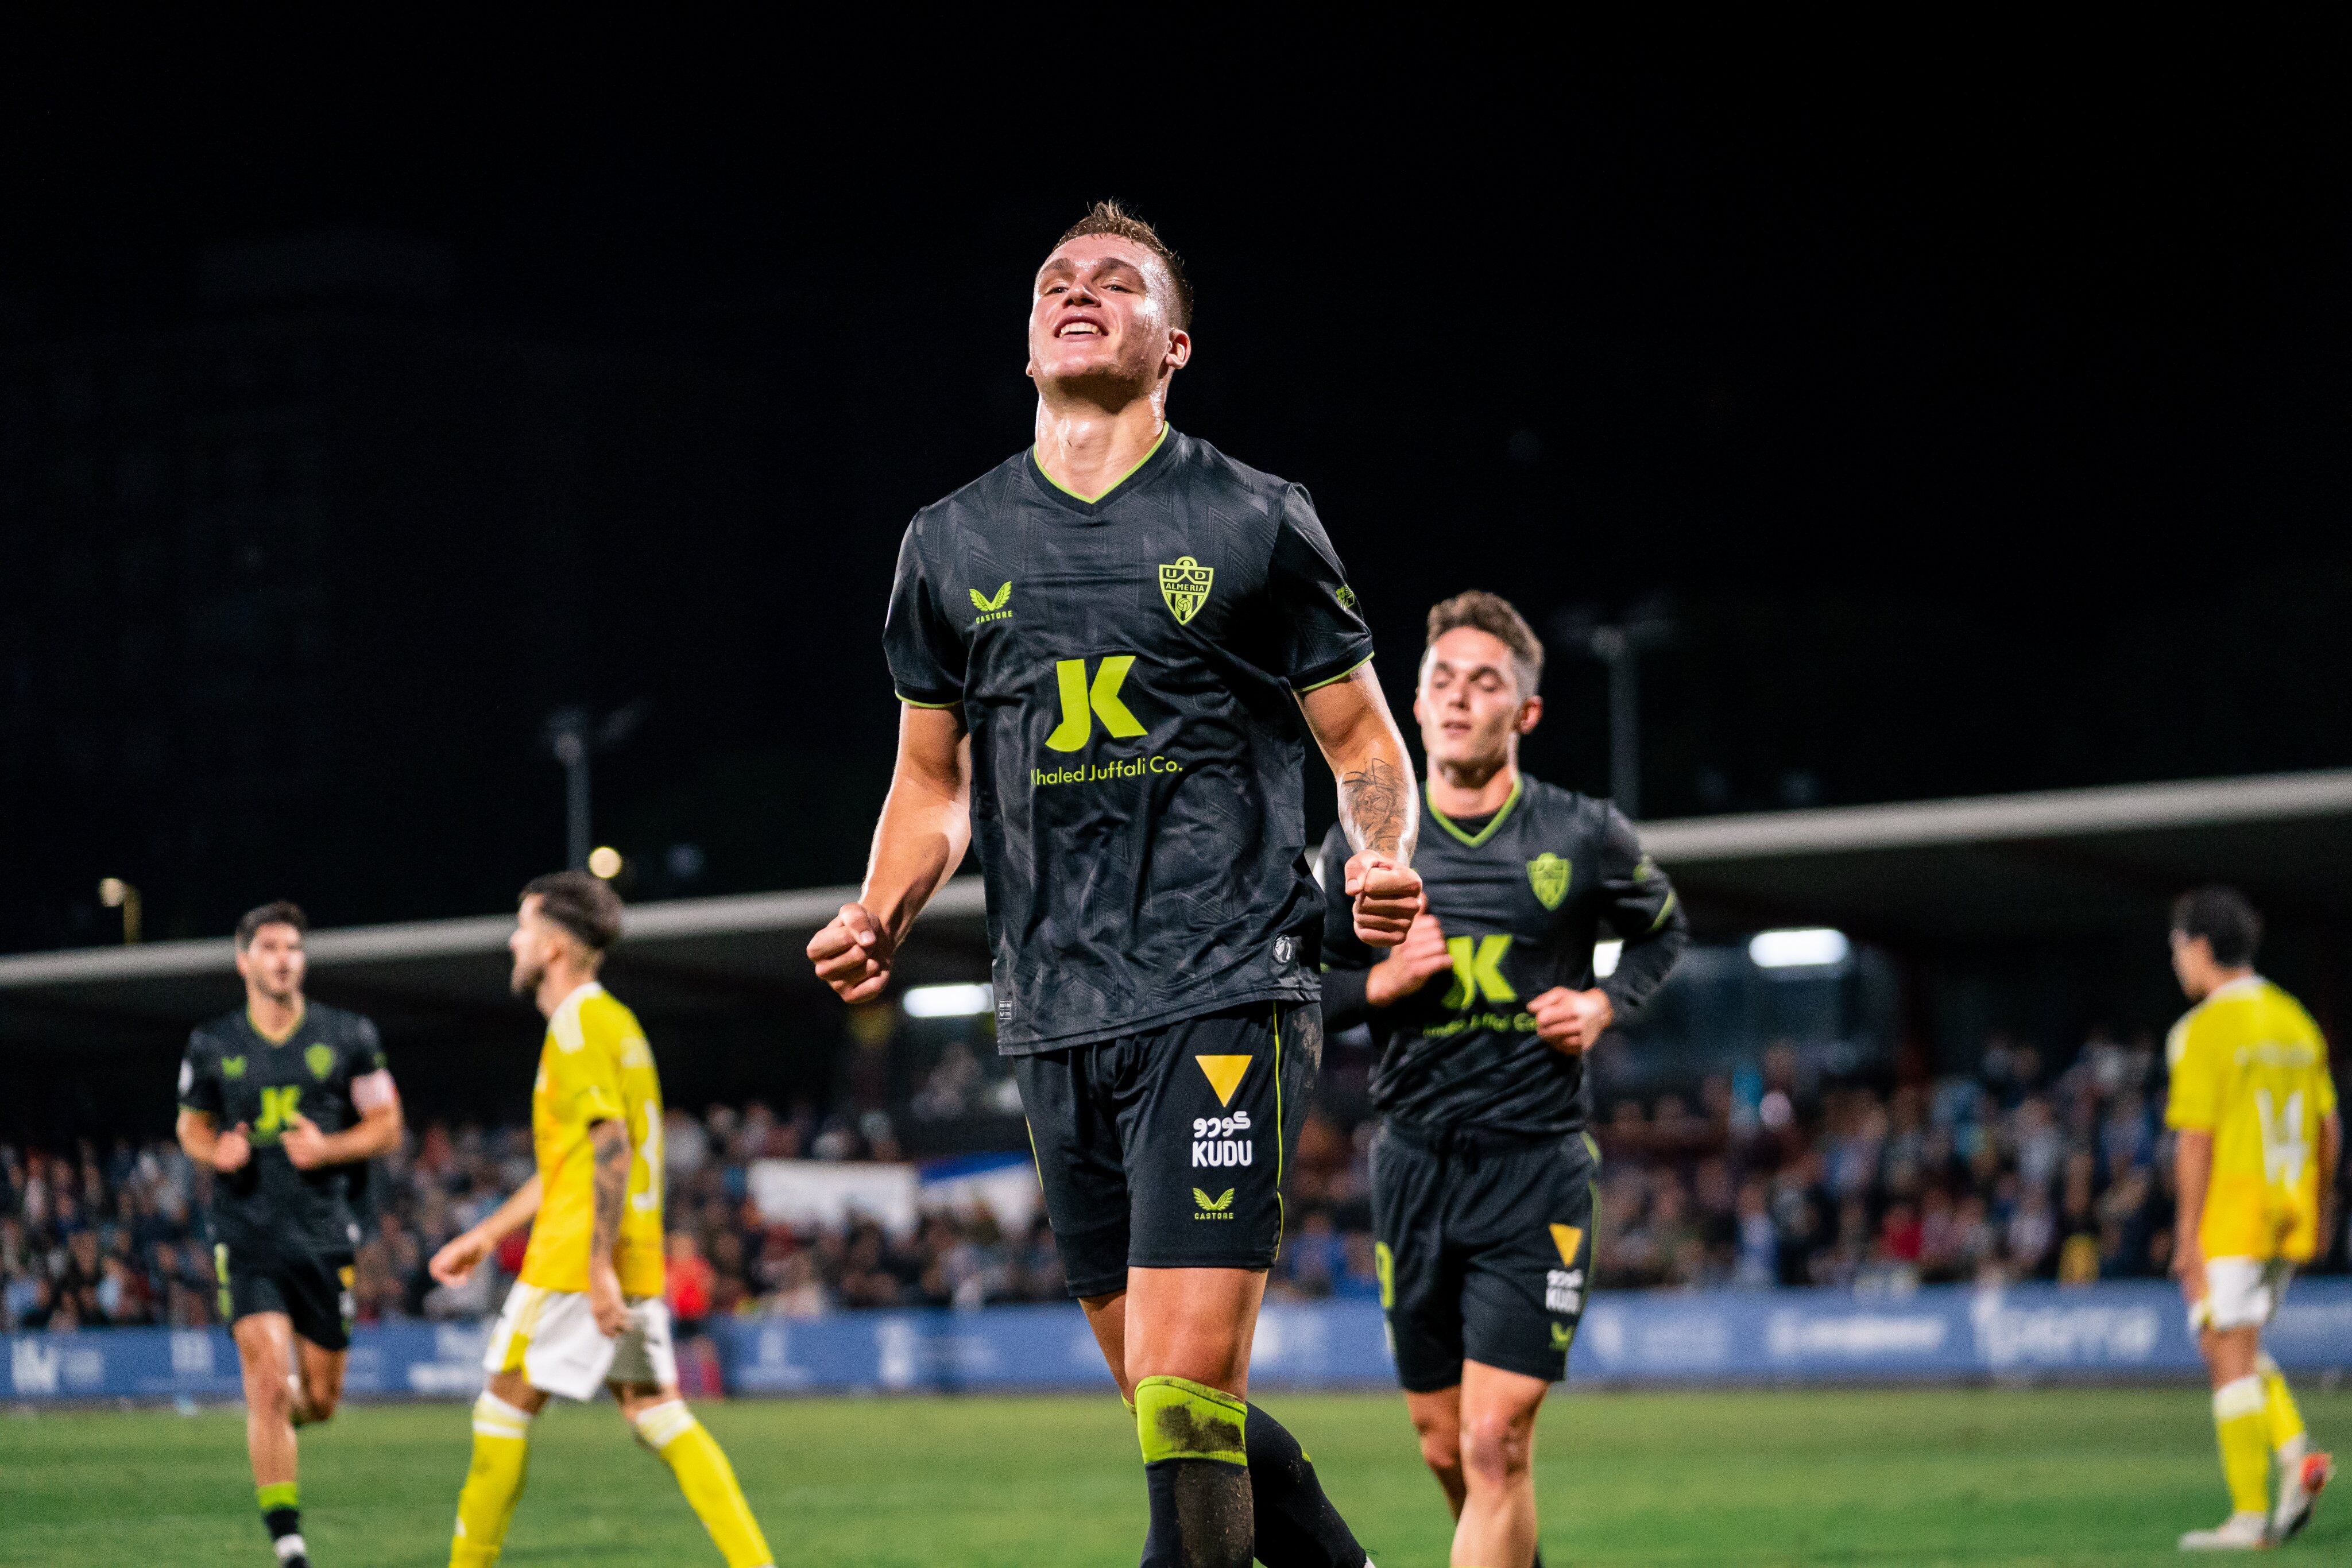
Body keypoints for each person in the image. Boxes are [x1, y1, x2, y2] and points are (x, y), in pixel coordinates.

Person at [807, 199, 1423, 1568]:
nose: (1079, 294)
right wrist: (879, 908)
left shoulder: (1255, 519)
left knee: (1189, 1412)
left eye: (1118, 283)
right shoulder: (948, 545)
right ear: (1028, 341)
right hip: (1051, 1009)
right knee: (1170, 1400)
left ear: (1175, 343)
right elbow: (929, 785)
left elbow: (1363, 740)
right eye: (1056, 284)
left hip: (1225, 988)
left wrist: (1380, 853)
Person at [1320, 591, 1688, 1568]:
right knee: (1449, 1446)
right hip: (1412, 1167)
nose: (1456, 697)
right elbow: (1297, 989)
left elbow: (1662, 929)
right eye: (1440, 679)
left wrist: (1603, 1003)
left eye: (1484, 683)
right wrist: (1380, 981)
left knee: (1495, 1443)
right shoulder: (1364, 843)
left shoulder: (1582, 833)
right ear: (1413, 700)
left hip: (1537, 1167)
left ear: (1523, 713)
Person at [428, 873, 773, 1568]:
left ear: (554, 948)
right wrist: (489, 1233)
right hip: (632, 1253)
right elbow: (579, 1162)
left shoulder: (577, 1022)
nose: (513, 941)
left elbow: (610, 1143)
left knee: (500, 1410)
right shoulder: (617, 1022)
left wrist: (593, 1270)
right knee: (657, 1414)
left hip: (576, 1260)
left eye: (523, 927)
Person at [176, 901, 404, 1568]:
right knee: (268, 1380)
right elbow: (189, 1123)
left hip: (324, 1235)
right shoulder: (213, 1042)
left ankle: (276, 1424)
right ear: (244, 960)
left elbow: (387, 1124)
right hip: (247, 1234)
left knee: (320, 1400)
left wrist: (330, 1148)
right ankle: (290, 1544)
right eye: (271, 947)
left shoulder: (348, 1033)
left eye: (293, 948)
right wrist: (213, 1150)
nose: (284, 959)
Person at [2165, 886, 2338, 1550]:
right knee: (2229, 1342)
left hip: (2232, 1211)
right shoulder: (2294, 1019)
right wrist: (2320, 1212)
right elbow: (2329, 1130)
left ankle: (2246, 1517)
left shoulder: (2204, 1028)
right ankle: (2298, 1456)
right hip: (2287, 1210)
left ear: (2201, 948)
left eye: (2178, 947)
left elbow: (2195, 1139)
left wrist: (2186, 1235)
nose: (2177, 961)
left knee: (2225, 1353)